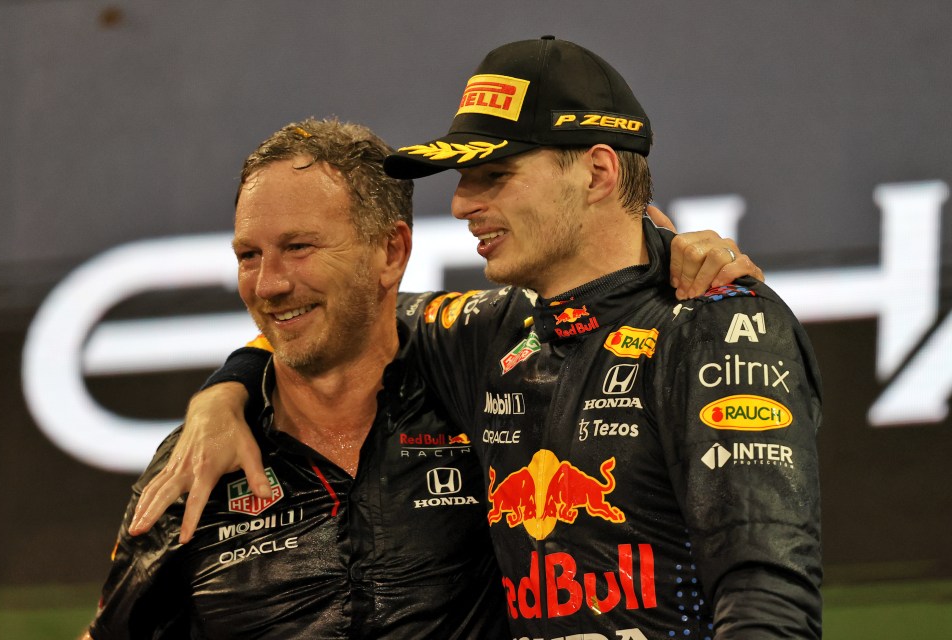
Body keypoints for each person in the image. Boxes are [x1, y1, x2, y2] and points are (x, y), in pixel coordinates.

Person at [126, 37, 808, 640]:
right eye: (462, 178)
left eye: (494, 175)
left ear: (598, 173)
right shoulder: (484, 334)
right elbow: (336, 314)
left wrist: (678, 256)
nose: (461, 204)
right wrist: (229, 387)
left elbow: (766, 596)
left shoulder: (720, 325)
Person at [84, 118, 509, 639]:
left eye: (299, 247)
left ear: (390, 252)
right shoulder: (193, 467)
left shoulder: (490, 394)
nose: (269, 284)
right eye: (248, 255)